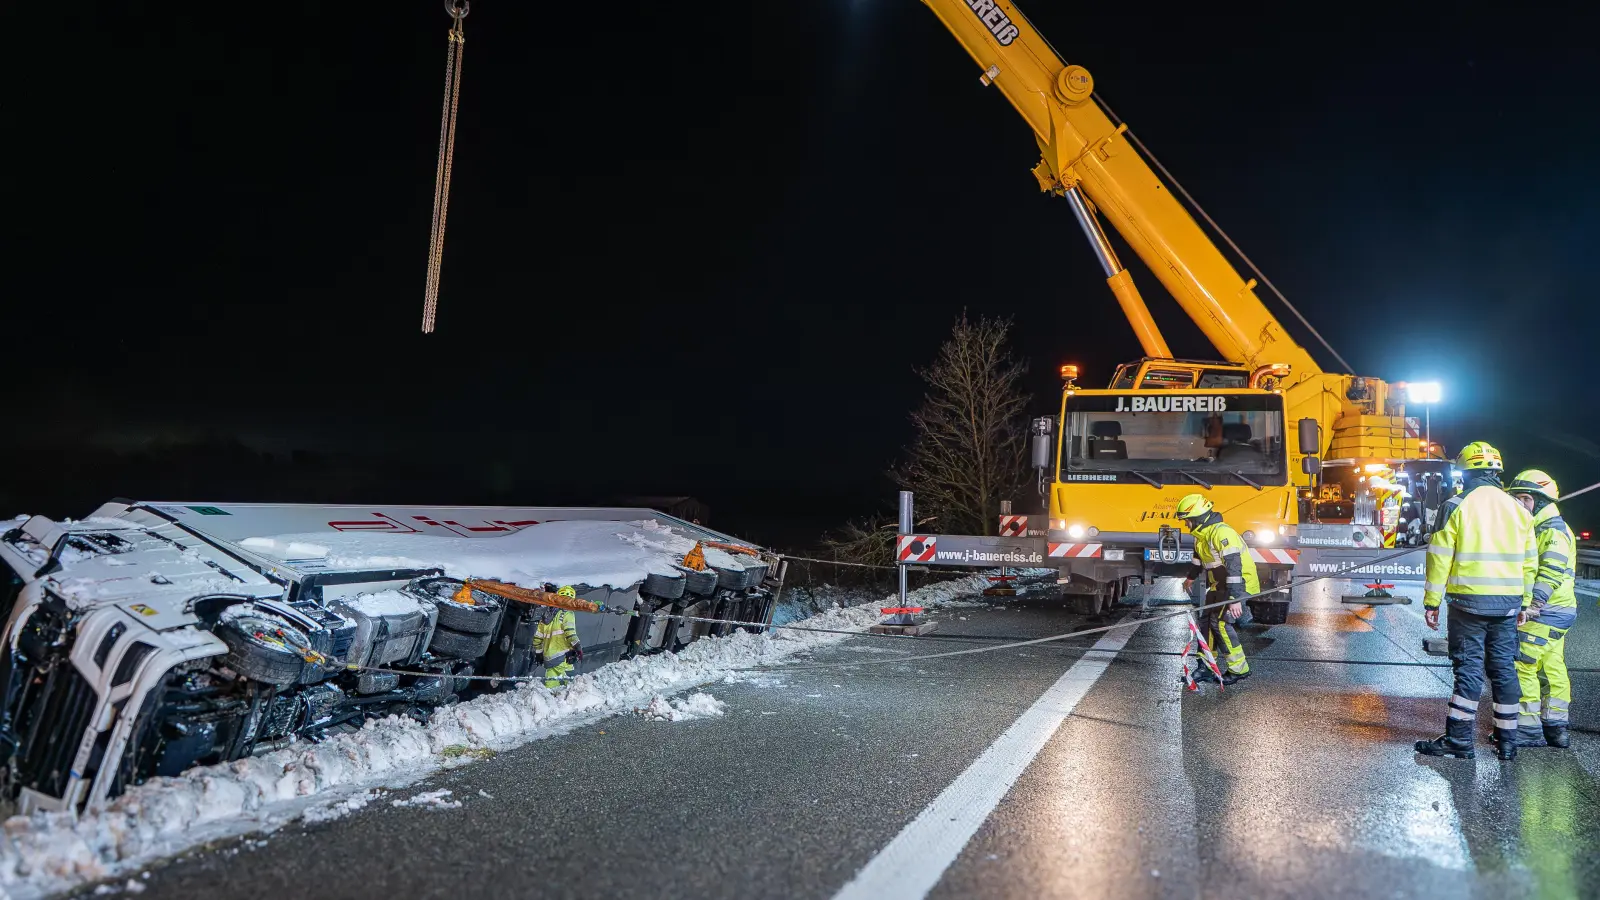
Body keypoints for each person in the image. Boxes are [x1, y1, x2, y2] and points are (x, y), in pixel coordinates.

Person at [1416, 441, 1538, 761]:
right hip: (1508, 605)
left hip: (1468, 604)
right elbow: (1529, 562)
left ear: (1465, 472)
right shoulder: (1519, 509)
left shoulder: (1455, 505)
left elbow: (1440, 558)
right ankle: (1508, 742)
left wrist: (1432, 601)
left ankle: (1459, 741)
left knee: (1468, 670)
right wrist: (1524, 602)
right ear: (1497, 472)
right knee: (1503, 670)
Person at [1505, 469, 1576, 748]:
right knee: (1551, 666)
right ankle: (1556, 728)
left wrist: (1533, 605)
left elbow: (1550, 571)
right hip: (1559, 609)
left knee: (1523, 662)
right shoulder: (1545, 528)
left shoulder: (1552, 531)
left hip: (1547, 611)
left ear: (1538, 499)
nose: (1519, 506)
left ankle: (1527, 728)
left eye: (1523, 499)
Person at [1176, 493, 1253, 684]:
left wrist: (1235, 599)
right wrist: (1190, 579)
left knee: (1220, 624)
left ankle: (1239, 670)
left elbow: (1235, 567)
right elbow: (1197, 562)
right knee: (1205, 623)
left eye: (1187, 521)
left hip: (1238, 585)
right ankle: (1206, 667)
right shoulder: (1200, 537)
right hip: (1219, 586)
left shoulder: (1221, 533)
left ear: (1197, 518)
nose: (1186, 525)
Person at [534, 585, 585, 689]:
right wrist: (578, 648)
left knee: (551, 685)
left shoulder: (546, 615)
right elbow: (570, 633)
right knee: (571, 687)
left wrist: (539, 653)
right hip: (564, 658)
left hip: (549, 658)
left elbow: (537, 638)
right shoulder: (568, 614)